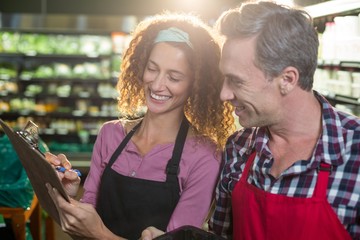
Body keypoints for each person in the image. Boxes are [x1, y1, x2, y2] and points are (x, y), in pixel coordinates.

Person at [45, 12, 234, 240]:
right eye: (152, 68)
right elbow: (84, 229)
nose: (157, 84)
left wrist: (99, 233)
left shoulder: (204, 157)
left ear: (195, 85)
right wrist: (67, 198)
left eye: (174, 77)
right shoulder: (110, 134)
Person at [205, 1, 360, 240]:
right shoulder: (238, 147)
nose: (223, 94)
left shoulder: (355, 155)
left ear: (287, 79)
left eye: (236, 81)